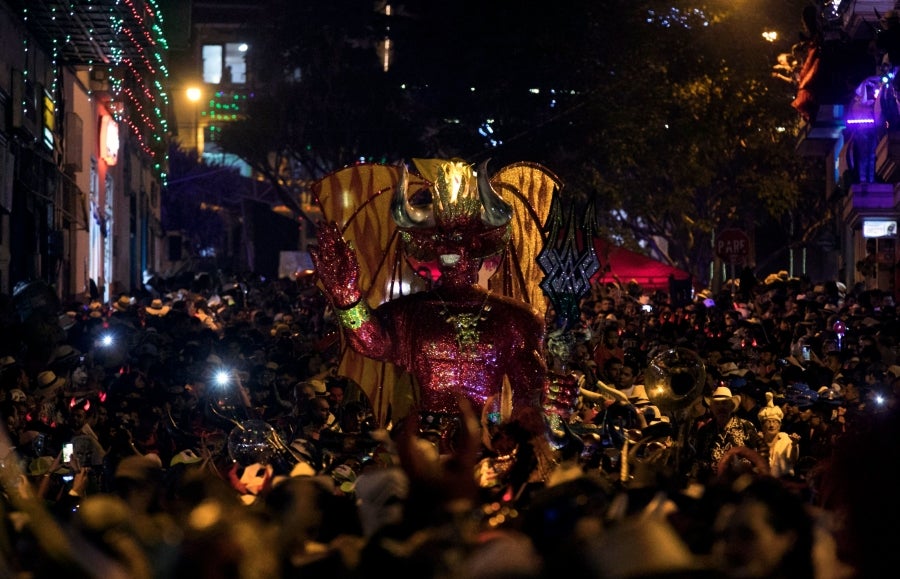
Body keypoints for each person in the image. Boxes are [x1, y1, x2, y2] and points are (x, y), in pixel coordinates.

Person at [310, 160, 549, 428]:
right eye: (440, 237)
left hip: (490, 438)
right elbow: (371, 342)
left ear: (477, 244)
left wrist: (554, 402)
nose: (448, 245)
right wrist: (347, 297)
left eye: (458, 236)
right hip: (428, 436)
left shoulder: (516, 318)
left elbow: (531, 390)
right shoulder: (411, 312)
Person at [688, 385, 767, 484]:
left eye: (725, 403)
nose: (721, 407)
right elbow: (697, 460)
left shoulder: (746, 427)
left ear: (731, 406)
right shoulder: (705, 431)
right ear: (712, 408)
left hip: (740, 487)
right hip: (713, 488)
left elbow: (761, 454)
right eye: (717, 404)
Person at [758, 392, 800, 479]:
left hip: (785, 482)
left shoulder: (786, 439)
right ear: (762, 425)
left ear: (780, 425)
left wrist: (794, 445)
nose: (772, 425)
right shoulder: (758, 441)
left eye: (775, 422)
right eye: (768, 422)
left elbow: (793, 460)